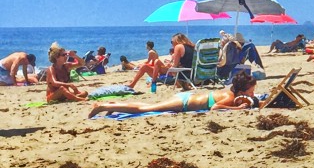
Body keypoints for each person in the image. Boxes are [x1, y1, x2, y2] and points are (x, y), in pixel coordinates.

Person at [88, 71, 259, 118]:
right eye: (251, 91)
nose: (253, 94)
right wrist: (240, 109)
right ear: (242, 90)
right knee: (145, 108)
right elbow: (215, 108)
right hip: (184, 104)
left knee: (146, 106)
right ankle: (101, 106)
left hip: (188, 95)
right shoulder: (230, 98)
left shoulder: (230, 89)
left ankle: (112, 106)